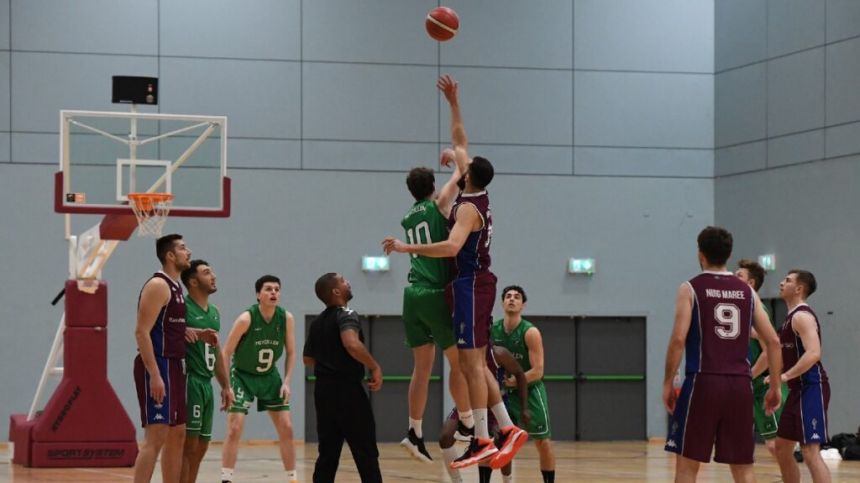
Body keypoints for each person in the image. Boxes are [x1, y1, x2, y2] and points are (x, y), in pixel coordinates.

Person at [383, 74, 526, 470]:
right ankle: (492, 430)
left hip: (468, 283)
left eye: (461, 167)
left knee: (467, 363)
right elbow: (462, 141)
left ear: (466, 177)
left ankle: (480, 431)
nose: (457, 164)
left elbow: (449, 247)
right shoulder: (473, 192)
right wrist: (453, 102)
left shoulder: (464, 207)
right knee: (470, 362)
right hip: (464, 284)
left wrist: (405, 247)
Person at [663, 226, 783, 483]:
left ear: (700, 254)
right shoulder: (747, 291)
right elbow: (773, 341)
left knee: (687, 466)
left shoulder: (690, 288)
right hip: (740, 386)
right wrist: (774, 386)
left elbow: (678, 340)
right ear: (728, 255)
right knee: (743, 468)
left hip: (703, 382)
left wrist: (667, 382)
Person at [397, 161, 473, 462]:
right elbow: (462, 173)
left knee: (421, 369)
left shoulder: (407, 218)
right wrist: (453, 157)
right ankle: (467, 421)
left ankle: (414, 431)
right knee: (459, 362)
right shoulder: (439, 204)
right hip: (433, 292)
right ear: (431, 187)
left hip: (411, 294)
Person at [133, 234, 215, 483]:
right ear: (170, 255)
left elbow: (167, 326)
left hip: (174, 367)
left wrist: (196, 333)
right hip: (157, 365)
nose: (188, 251)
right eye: (182, 248)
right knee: (155, 437)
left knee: (178, 434)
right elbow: (142, 332)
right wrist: (155, 375)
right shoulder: (158, 285)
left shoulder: (176, 287)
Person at [303, 273, 383, 483]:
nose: (348, 282)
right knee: (365, 452)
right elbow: (351, 343)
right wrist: (373, 366)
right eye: (344, 280)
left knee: (327, 454)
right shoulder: (347, 313)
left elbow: (307, 359)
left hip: (323, 392)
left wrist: (329, 361)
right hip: (348, 391)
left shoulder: (317, 322)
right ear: (336, 291)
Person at [220, 275, 297, 483]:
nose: (274, 292)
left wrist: (287, 381)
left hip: (270, 375)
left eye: (277, 289)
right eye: (268, 289)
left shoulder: (286, 318)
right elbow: (226, 352)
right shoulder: (246, 318)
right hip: (242, 376)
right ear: (258, 294)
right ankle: (226, 478)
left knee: (287, 427)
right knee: (235, 426)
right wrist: (226, 385)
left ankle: (293, 478)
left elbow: (291, 352)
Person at [491, 285, 556, 483]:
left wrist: (514, 381)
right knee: (504, 441)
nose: (512, 299)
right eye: (508, 296)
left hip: (530, 390)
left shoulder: (530, 332)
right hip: (504, 395)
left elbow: (538, 370)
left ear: (523, 305)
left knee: (542, 442)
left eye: (517, 297)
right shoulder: (493, 331)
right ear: (502, 302)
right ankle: (507, 481)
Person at [772, 270, 831, 483]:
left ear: (799, 289)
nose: (781, 282)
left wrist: (785, 376)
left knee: (809, 452)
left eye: (787, 280)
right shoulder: (789, 319)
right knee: (782, 446)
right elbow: (774, 349)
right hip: (797, 390)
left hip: (812, 387)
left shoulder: (801, 316)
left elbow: (814, 353)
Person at [440, 345, 530, 483]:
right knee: (445, 436)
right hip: (469, 402)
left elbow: (519, 373)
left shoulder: (498, 353)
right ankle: (456, 480)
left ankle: (507, 480)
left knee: (502, 441)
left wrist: (524, 407)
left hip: (493, 405)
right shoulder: (462, 352)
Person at [179, 260, 234, 483]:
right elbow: (163, 331)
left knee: (202, 446)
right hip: (189, 380)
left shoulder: (215, 312)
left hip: (207, 384)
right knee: (188, 445)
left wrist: (226, 386)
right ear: (193, 281)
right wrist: (182, 330)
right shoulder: (181, 307)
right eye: (206, 272)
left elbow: (217, 350)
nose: (213, 276)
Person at [734, 259, 788, 461]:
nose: (733, 279)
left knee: (777, 446)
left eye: (738, 276)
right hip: (751, 387)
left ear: (751, 283)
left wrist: (748, 376)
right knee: (749, 445)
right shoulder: (741, 309)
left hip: (762, 385)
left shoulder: (757, 309)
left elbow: (770, 352)